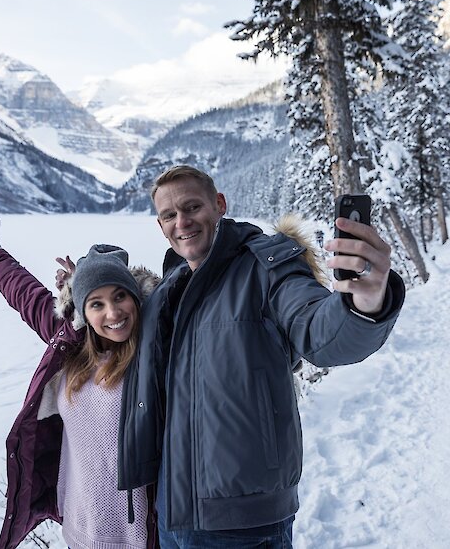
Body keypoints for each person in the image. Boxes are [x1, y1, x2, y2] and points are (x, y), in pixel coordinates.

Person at [116, 166, 406, 548]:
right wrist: (82, 289)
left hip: (242, 519)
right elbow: (114, 335)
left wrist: (364, 302)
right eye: (170, 215)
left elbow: (319, 331)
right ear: (160, 225)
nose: (182, 222)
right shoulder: (171, 287)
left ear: (219, 205)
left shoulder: (266, 268)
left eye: (192, 207)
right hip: (173, 511)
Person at [0, 217, 160, 549]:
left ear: (137, 298)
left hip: (143, 536)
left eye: (121, 296)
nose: (112, 312)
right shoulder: (70, 346)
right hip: (79, 531)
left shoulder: (158, 352)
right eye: (97, 303)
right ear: (82, 312)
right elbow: (26, 295)